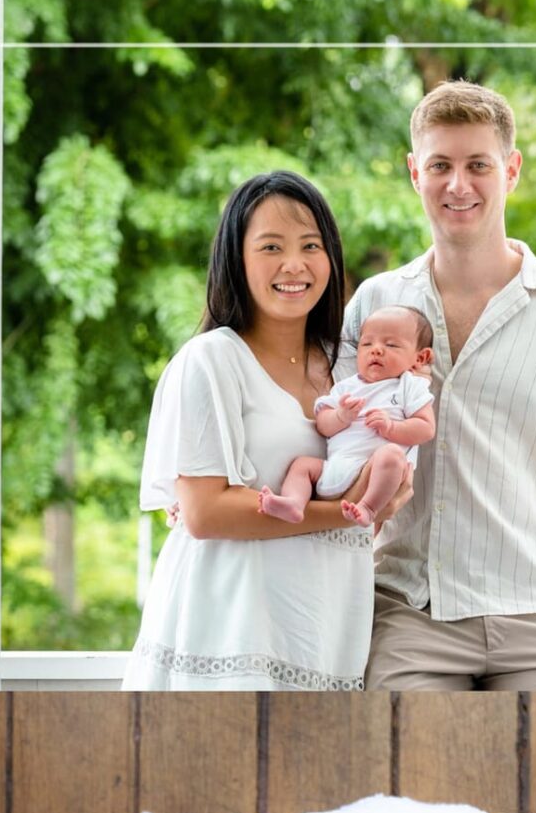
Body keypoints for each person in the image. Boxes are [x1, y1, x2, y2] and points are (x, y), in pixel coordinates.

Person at [338, 81, 536, 692]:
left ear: (510, 171)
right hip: (408, 621)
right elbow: (338, 450)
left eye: (478, 165)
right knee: (409, 787)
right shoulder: (372, 305)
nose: (459, 185)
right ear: (414, 173)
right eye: (440, 166)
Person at [123, 172, 396, 693]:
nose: (294, 265)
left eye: (310, 246)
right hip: (224, 634)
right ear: (237, 259)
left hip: (324, 630)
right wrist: (343, 511)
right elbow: (205, 513)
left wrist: (378, 498)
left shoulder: (350, 368)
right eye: (271, 247)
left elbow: (382, 495)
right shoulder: (210, 360)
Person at [258, 305, 435, 529]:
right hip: (335, 468)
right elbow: (323, 424)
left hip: (374, 472)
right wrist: (341, 416)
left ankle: (369, 508)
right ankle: (293, 503)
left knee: (391, 455)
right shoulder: (346, 387)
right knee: (303, 466)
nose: (376, 350)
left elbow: (426, 428)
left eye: (391, 345)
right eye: (367, 343)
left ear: (420, 358)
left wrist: (391, 428)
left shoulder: (409, 386)